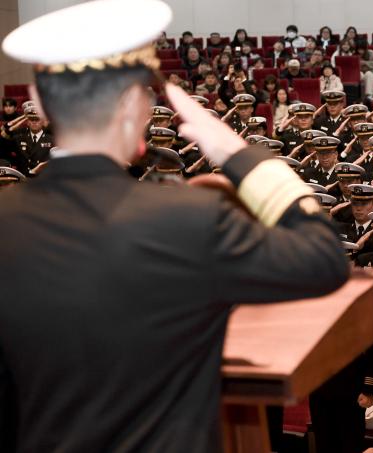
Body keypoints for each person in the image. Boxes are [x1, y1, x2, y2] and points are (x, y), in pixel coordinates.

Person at [0, 2, 350, 452]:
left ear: (39, 102)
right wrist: (236, 152)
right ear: (133, 103)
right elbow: (324, 258)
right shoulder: (188, 217)